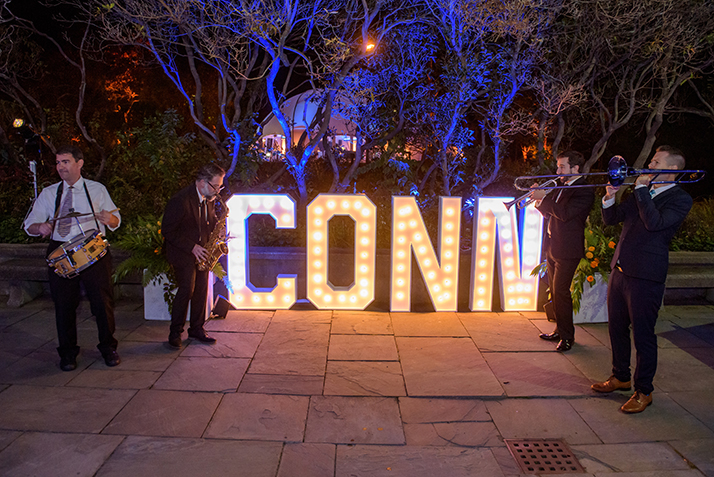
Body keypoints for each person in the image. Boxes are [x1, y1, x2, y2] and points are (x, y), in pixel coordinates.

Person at [591, 145, 693, 413]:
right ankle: (621, 376)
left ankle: (644, 390)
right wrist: (609, 197)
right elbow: (612, 219)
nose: (649, 166)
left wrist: (640, 190)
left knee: (644, 336)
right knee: (616, 328)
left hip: (646, 276)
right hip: (621, 270)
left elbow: (655, 224)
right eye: (651, 160)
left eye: (656, 162)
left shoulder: (680, 199)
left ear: (672, 169)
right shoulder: (642, 193)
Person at [24, 145, 121, 371]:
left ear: (80, 163)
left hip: (93, 249)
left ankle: (108, 348)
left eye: (65, 162)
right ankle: (67, 353)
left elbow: (117, 221)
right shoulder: (49, 193)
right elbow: (30, 224)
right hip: (61, 250)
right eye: (58, 163)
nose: (60, 167)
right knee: (64, 305)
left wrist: (110, 218)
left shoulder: (97, 190)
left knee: (102, 303)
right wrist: (40, 227)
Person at [532, 151, 594, 352]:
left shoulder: (584, 189)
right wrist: (540, 202)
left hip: (568, 249)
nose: (558, 171)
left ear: (575, 168)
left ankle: (568, 337)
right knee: (555, 292)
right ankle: (559, 329)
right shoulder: (562, 186)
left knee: (561, 292)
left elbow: (565, 214)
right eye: (558, 166)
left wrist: (545, 200)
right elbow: (552, 214)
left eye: (562, 167)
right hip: (553, 245)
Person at [162, 163, 225, 349]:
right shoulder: (180, 200)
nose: (218, 191)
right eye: (216, 186)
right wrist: (192, 247)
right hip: (183, 252)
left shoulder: (209, 197)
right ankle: (175, 332)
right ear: (202, 182)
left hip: (203, 251)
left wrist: (217, 231)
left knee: (201, 290)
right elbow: (168, 230)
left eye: (220, 186)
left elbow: (210, 219)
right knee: (186, 290)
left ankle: (197, 329)